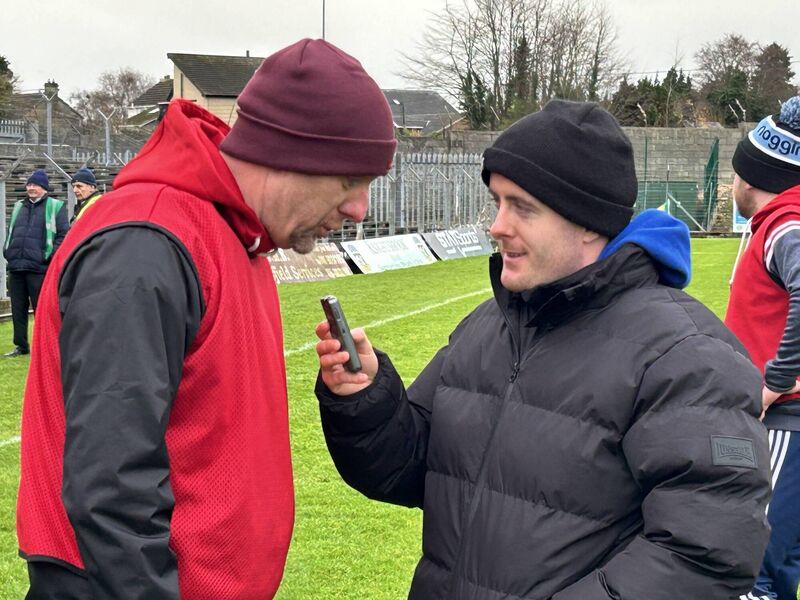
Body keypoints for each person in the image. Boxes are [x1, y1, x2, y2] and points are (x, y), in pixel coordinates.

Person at [315, 100, 772, 599]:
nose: (497, 226)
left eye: (523, 208)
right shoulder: (487, 327)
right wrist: (365, 401)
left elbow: (705, 552)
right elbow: (411, 470)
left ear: (589, 221)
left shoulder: (688, 357)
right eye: (498, 202)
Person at [16, 38, 396, 599]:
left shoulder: (238, 234)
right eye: (349, 180)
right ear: (286, 151)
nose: (360, 208)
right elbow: (111, 490)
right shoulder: (146, 245)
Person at [726, 95, 800, 600]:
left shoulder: (784, 222)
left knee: (756, 565)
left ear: (750, 177)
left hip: (783, 421)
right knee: (777, 560)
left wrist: (774, 380)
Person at [2, 169, 68, 357]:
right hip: (16, 266)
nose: (31, 188)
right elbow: (12, 232)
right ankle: (21, 346)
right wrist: (8, 252)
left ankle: (45, 347)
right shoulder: (18, 206)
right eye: (29, 184)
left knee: (42, 311)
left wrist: (46, 257)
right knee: (18, 310)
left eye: (35, 185)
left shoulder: (56, 207)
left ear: (44, 188)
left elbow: (63, 235)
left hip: (38, 268)